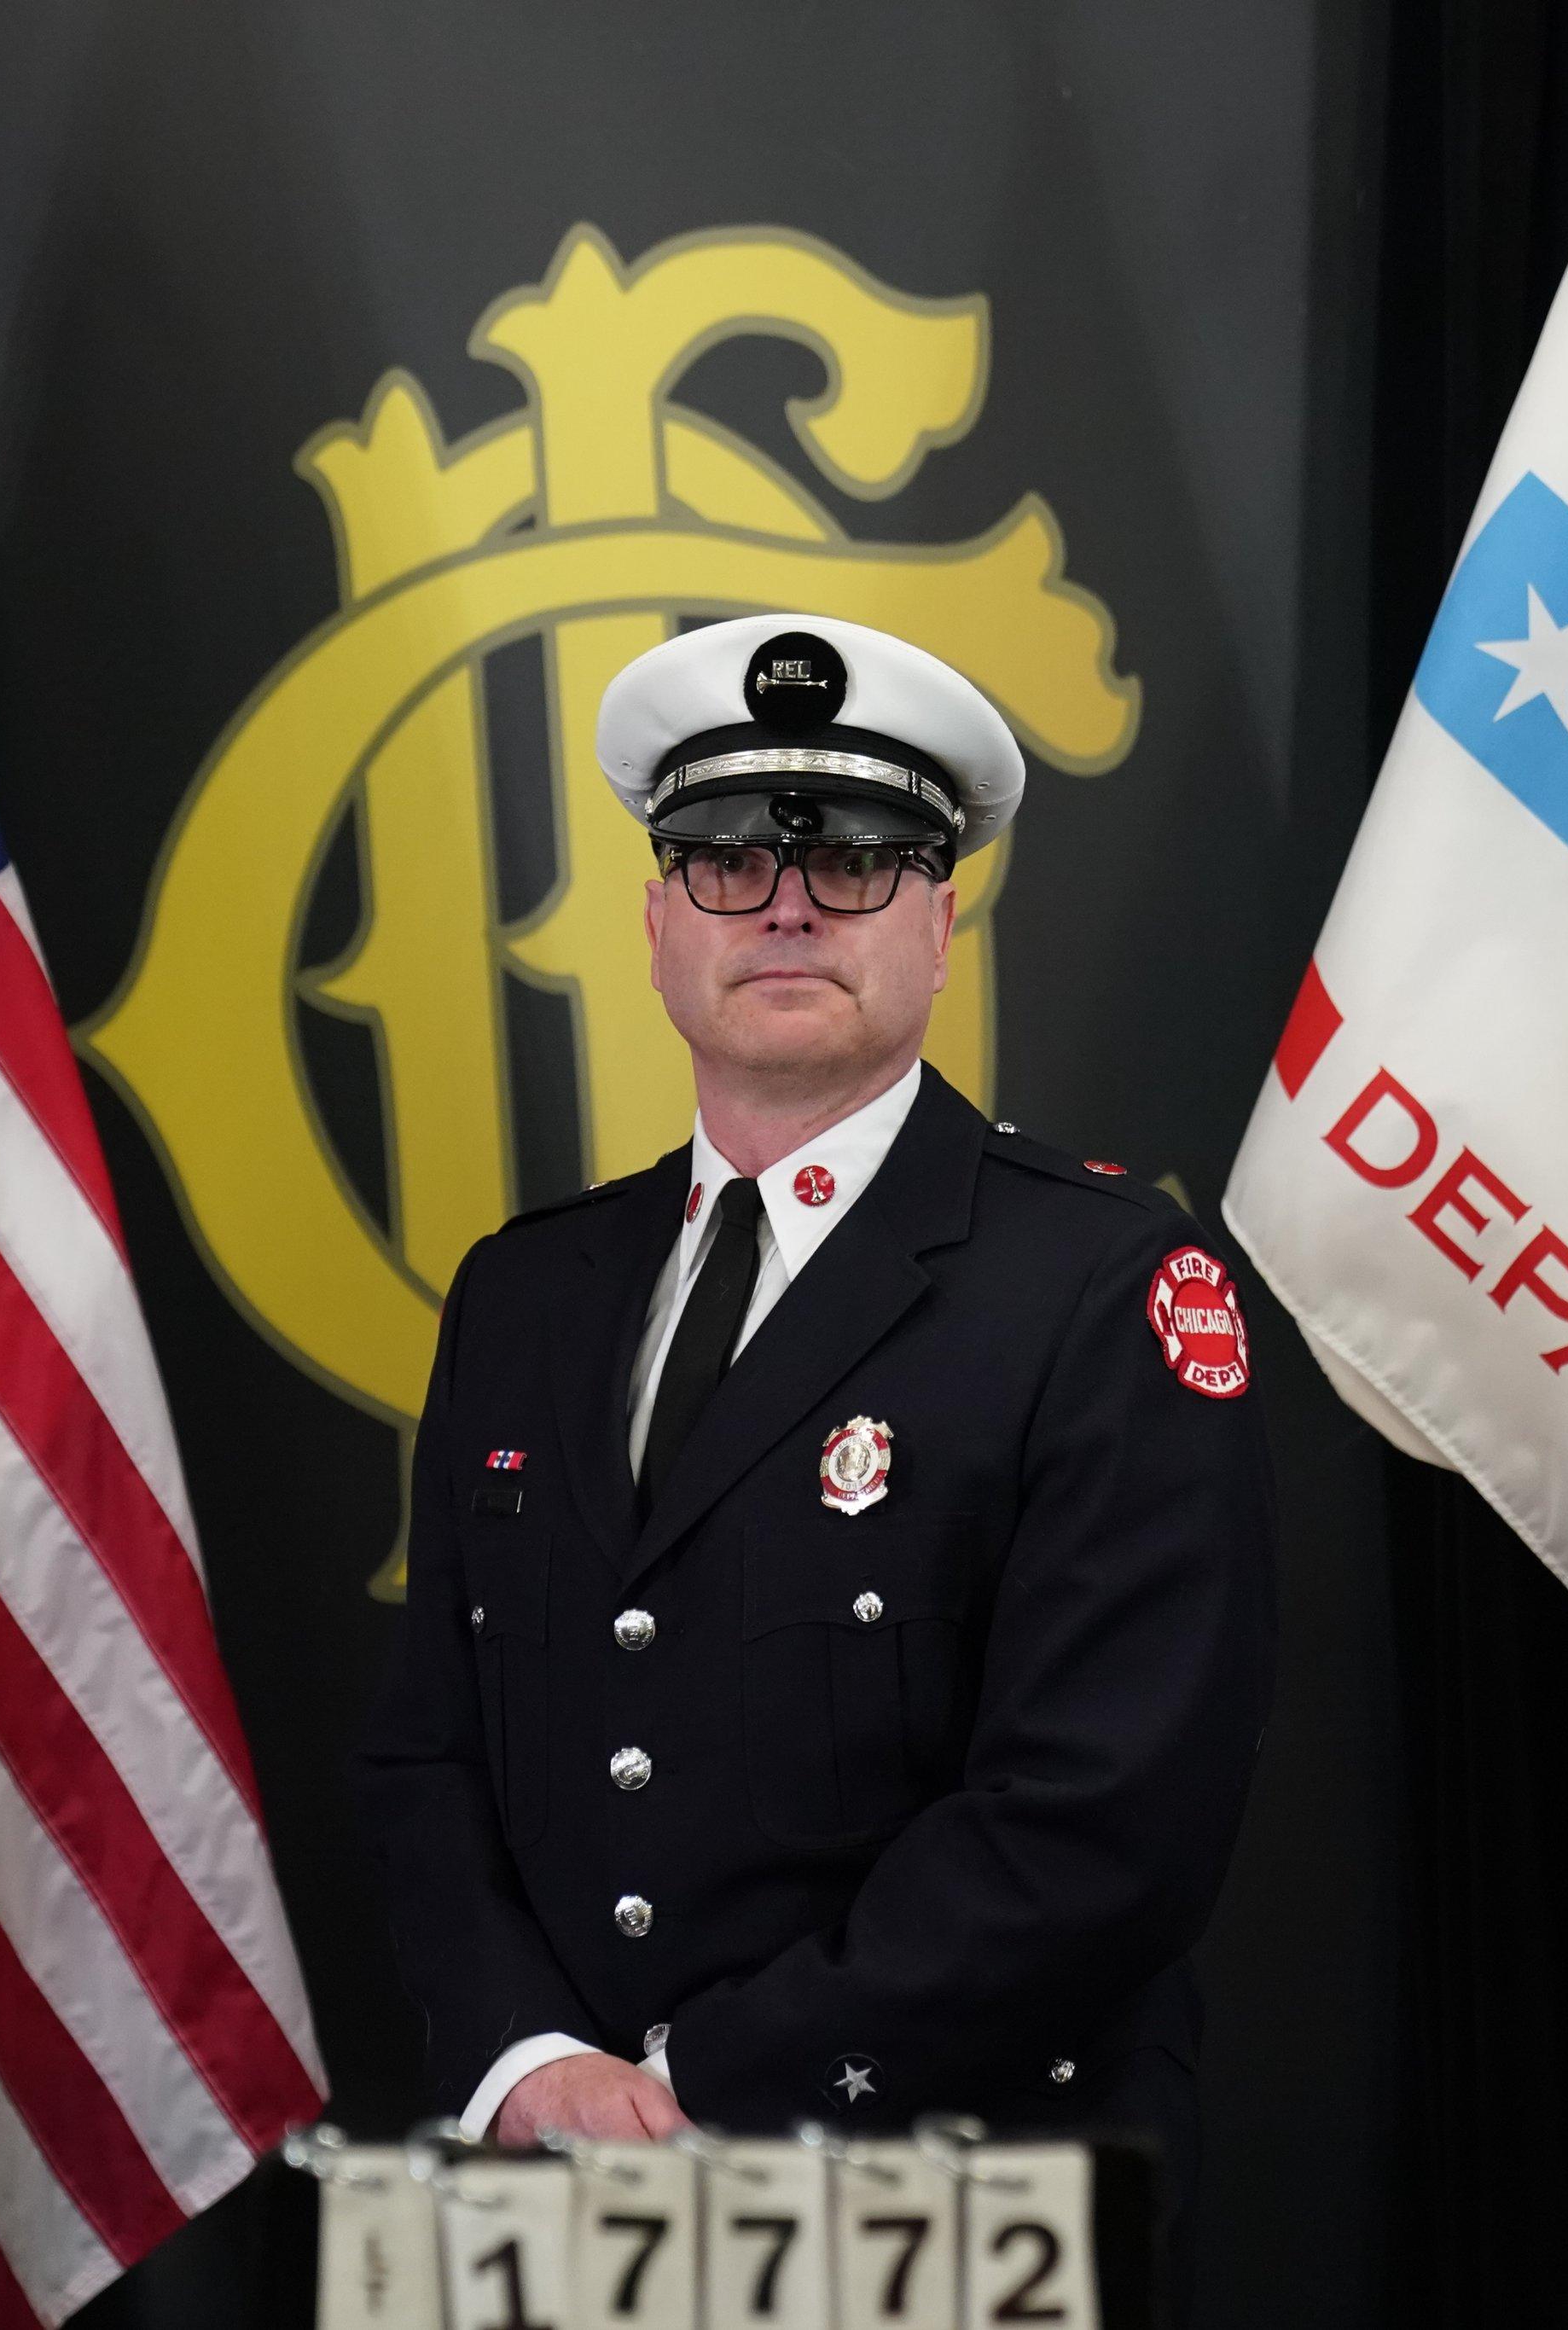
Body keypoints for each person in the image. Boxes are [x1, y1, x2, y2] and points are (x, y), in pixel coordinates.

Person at [354, 612, 1278, 2233]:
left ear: (940, 926)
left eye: (856, 859)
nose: (785, 901)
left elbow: (1100, 1827)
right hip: (564, 2198)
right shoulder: (525, 1295)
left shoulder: (1108, 1287)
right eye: (724, 857)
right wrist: (526, 2065)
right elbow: (428, 1748)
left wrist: (694, 2094)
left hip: (954, 2202)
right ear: (655, 927)